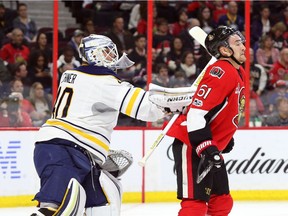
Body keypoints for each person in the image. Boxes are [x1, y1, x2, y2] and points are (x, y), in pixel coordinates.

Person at [30, 34, 175, 216]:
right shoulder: (104, 82)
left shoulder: (71, 74)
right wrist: (174, 103)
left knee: (104, 204)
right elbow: (147, 108)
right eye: (107, 52)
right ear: (93, 54)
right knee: (56, 208)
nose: (112, 57)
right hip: (64, 150)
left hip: (73, 150)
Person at [167, 26, 246, 215]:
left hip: (210, 145)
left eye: (242, 41)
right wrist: (205, 145)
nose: (243, 46)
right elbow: (196, 113)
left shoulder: (236, 71)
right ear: (225, 50)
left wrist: (224, 136)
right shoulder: (221, 71)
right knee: (195, 204)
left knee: (221, 202)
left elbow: (221, 109)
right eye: (237, 43)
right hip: (192, 144)